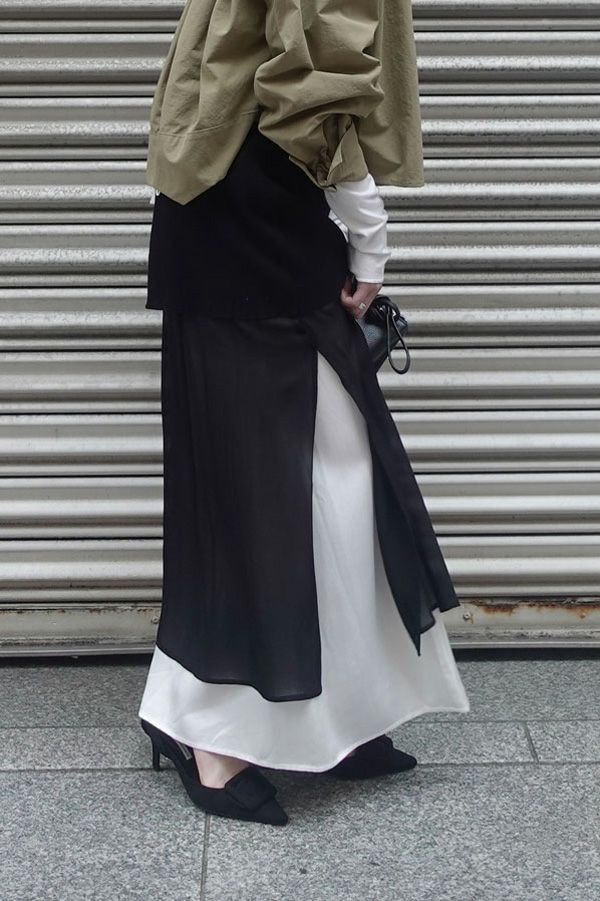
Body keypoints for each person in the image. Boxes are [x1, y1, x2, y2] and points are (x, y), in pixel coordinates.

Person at [138, 0, 470, 827]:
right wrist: (369, 232)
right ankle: (206, 731)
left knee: (318, 478)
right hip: (258, 210)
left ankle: (336, 715)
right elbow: (309, 86)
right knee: (270, 488)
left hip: (239, 205)